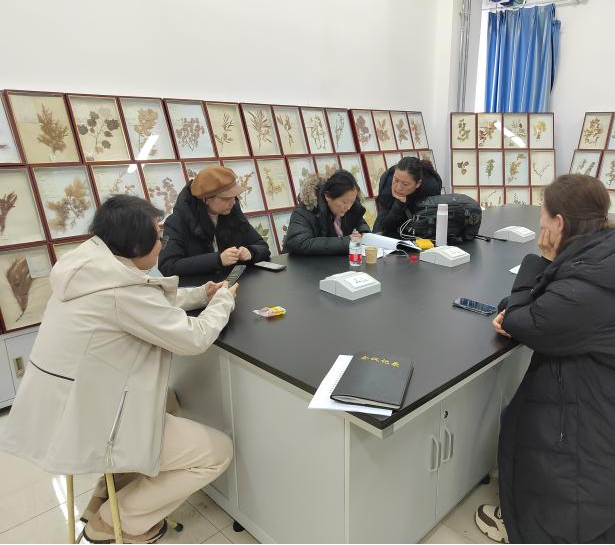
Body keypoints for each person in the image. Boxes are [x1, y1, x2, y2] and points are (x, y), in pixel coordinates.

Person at [475, 174, 615, 544]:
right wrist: (523, 304)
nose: (541, 224)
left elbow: (527, 322)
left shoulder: (586, 283)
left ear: (559, 222)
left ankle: (535, 525)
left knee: (530, 427)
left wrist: (540, 260)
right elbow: (549, 305)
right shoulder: (611, 252)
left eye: (543, 216)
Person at [0, 195, 239, 544]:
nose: (163, 244)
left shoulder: (89, 266)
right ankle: (115, 521)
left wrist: (202, 294)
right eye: (159, 237)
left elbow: (145, 300)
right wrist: (223, 301)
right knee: (217, 452)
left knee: (169, 400)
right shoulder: (118, 291)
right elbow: (194, 337)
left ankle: (103, 495)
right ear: (135, 245)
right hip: (89, 423)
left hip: (60, 409)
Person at [158, 166, 270, 276]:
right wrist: (217, 260)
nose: (233, 202)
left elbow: (262, 246)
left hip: (234, 283)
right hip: (198, 286)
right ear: (205, 199)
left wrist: (251, 252)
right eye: (226, 198)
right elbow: (167, 265)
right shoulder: (177, 222)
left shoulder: (233, 214)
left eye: (234, 196)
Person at [283, 169, 370, 255]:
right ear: (327, 196)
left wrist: (364, 234)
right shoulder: (304, 211)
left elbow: (359, 221)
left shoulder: (349, 207)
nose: (348, 207)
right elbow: (300, 243)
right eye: (344, 202)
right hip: (302, 262)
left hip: (334, 261)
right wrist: (347, 242)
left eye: (352, 202)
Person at [373, 156, 442, 236]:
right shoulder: (388, 180)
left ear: (418, 183)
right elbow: (383, 227)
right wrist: (399, 204)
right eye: (396, 180)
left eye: (405, 184)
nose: (398, 188)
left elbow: (427, 226)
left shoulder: (430, 188)